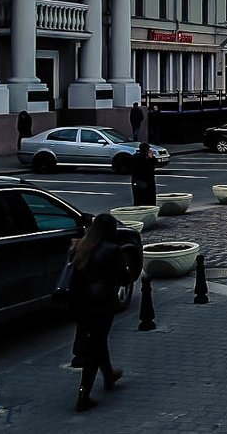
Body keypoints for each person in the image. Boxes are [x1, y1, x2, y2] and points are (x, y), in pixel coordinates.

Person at [69, 213, 132, 412]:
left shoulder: (81, 247)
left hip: (81, 305)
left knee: (98, 340)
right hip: (102, 305)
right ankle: (83, 394)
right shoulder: (113, 250)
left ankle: (108, 375)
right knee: (95, 347)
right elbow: (125, 277)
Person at [130, 142, 157, 206]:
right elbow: (154, 163)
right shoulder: (146, 158)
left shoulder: (135, 156)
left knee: (138, 197)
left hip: (136, 180)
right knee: (148, 197)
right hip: (146, 180)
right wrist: (151, 157)